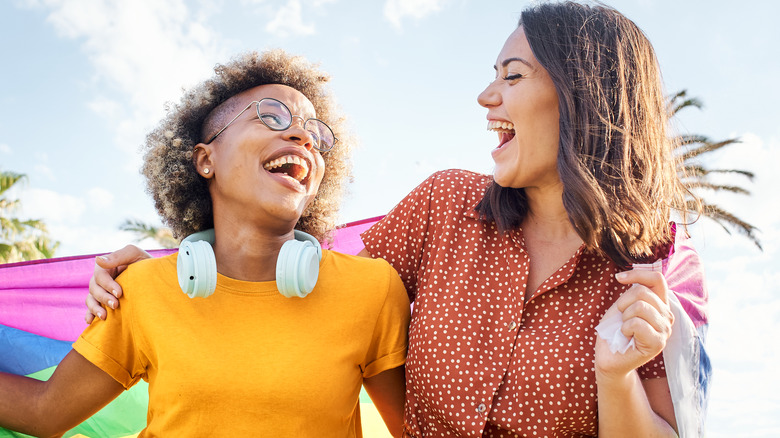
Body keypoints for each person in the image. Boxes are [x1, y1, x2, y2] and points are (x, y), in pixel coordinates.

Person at [87, 2, 710, 437]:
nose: (486, 97)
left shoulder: (655, 265)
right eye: (491, 76)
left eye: (511, 76)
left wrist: (617, 375)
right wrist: (175, 271)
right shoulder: (441, 208)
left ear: (582, 93)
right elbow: (312, 289)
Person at [0, 50, 410, 437]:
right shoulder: (141, 288)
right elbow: (44, 413)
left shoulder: (372, 290)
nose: (304, 136)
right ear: (205, 160)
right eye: (272, 115)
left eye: (317, 135)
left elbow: (418, 431)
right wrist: (148, 287)